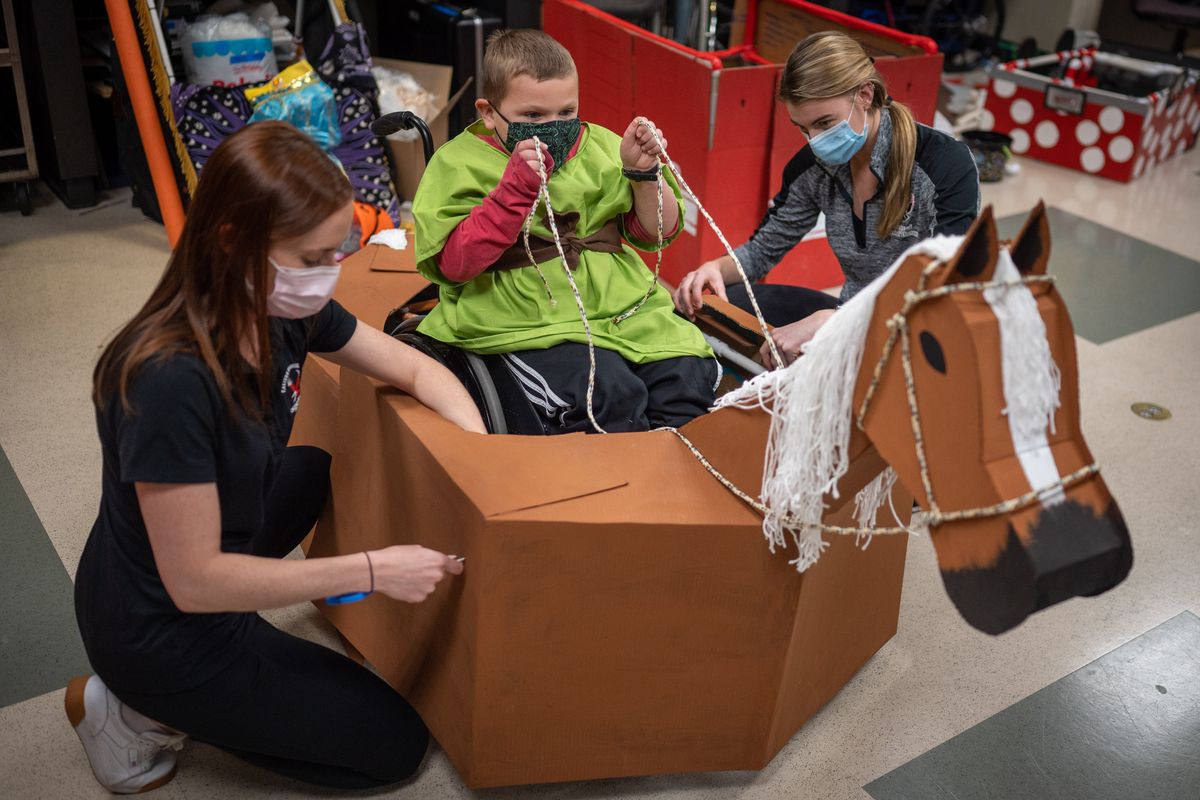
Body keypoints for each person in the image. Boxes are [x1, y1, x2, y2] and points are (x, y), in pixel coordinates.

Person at [67, 121, 487, 794]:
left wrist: (478, 459)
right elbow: (195, 583)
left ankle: (227, 659)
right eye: (314, 257)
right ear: (235, 244)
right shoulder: (167, 381)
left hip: (189, 555)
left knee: (310, 468)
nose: (330, 275)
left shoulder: (281, 307)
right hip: (162, 626)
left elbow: (413, 370)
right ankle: (132, 712)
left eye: (338, 251)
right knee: (394, 746)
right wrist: (373, 570)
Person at [413, 28, 718, 434]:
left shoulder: (604, 145)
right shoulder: (457, 164)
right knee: (605, 393)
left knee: (687, 375)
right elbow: (453, 264)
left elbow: (655, 234)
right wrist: (513, 192)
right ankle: (615, 485)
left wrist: (644, 174)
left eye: (566, 113)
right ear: (488, 113)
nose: (552, 126)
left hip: (619, 303)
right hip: (522, 313)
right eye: (533, 116)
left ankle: (672, 480)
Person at [674, 31, 979, 368]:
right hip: (847, 316)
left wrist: (834, 321)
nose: (815, 141)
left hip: (917, 338)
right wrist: (714, 268)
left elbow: (943, 291)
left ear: (866, 94)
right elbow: (762, 250)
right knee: (714, 303)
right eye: (804, 129)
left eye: (824, 123)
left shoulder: (944, 165)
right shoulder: (814, 168)